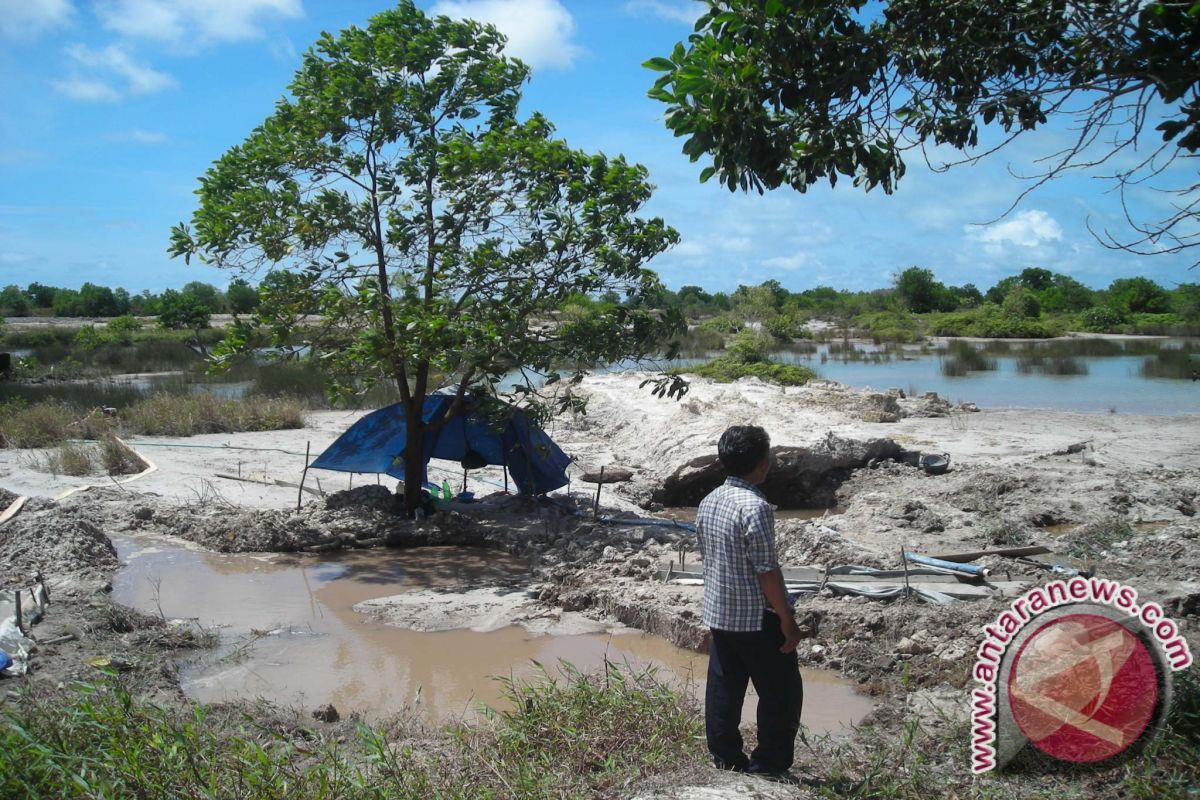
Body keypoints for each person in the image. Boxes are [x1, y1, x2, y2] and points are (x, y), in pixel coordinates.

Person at [696, 425, 803, 779]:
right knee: (781, 692)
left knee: (724, 687)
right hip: (757, 617)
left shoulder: (710, 500)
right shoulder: (755, 507)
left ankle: (726, 758)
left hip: (720, 611)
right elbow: (767, 571)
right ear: (761, 463)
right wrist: (786, 618)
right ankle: (768, 765)